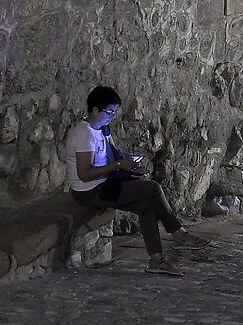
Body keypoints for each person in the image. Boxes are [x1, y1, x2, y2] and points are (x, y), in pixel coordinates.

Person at [69, 85, 189, 275]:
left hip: (105, 184)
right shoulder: (84, 134)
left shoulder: (101, 129)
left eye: (114, 112)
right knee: (153, 188)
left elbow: (109, 156)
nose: (112, 117)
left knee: (145, 206)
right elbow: (84, 174)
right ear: (95, 110)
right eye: (109, 112)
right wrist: (118, 166)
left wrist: (125, 160)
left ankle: (157, 260)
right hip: (90, 191)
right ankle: (178, 233)